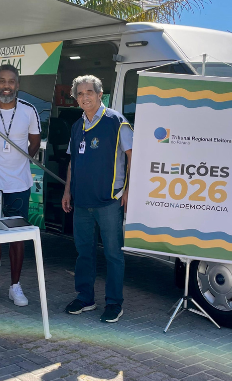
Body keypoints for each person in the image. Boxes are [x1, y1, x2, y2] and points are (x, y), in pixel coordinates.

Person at [62, 75, 133, 323]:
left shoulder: (116, 121)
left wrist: (129, 190)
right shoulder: (77, 126)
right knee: (84, 253)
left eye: (89, 92)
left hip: (109, 201)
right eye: (79, 94)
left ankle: (114, 303)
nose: (84, 97)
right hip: (82, 202)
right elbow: (73, 162)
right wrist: (67, 191)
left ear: (100, 94)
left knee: (113, 255)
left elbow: (132, 156)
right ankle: (85, 298)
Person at [0, 64, 41, 307]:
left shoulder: (29, 111)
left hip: (19, 185)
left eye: (11, 81)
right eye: (2, 81)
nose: (6, 86)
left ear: (18, 85)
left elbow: (35, 141)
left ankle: (15, 286)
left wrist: (21, 162)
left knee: (17, 237)